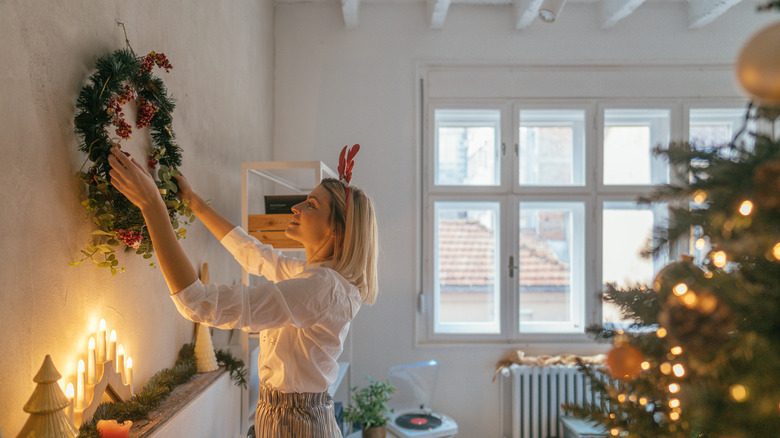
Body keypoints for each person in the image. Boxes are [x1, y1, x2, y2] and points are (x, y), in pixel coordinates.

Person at [108, 144, 378, 437]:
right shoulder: (319, 278)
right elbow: (255, 254)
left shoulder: (320, 289)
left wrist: (152, 206)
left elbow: (197, 303)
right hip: (293, 418)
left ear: (336, 230)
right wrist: (193, 201)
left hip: (296, 426)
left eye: (311, 205)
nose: (295, 207)